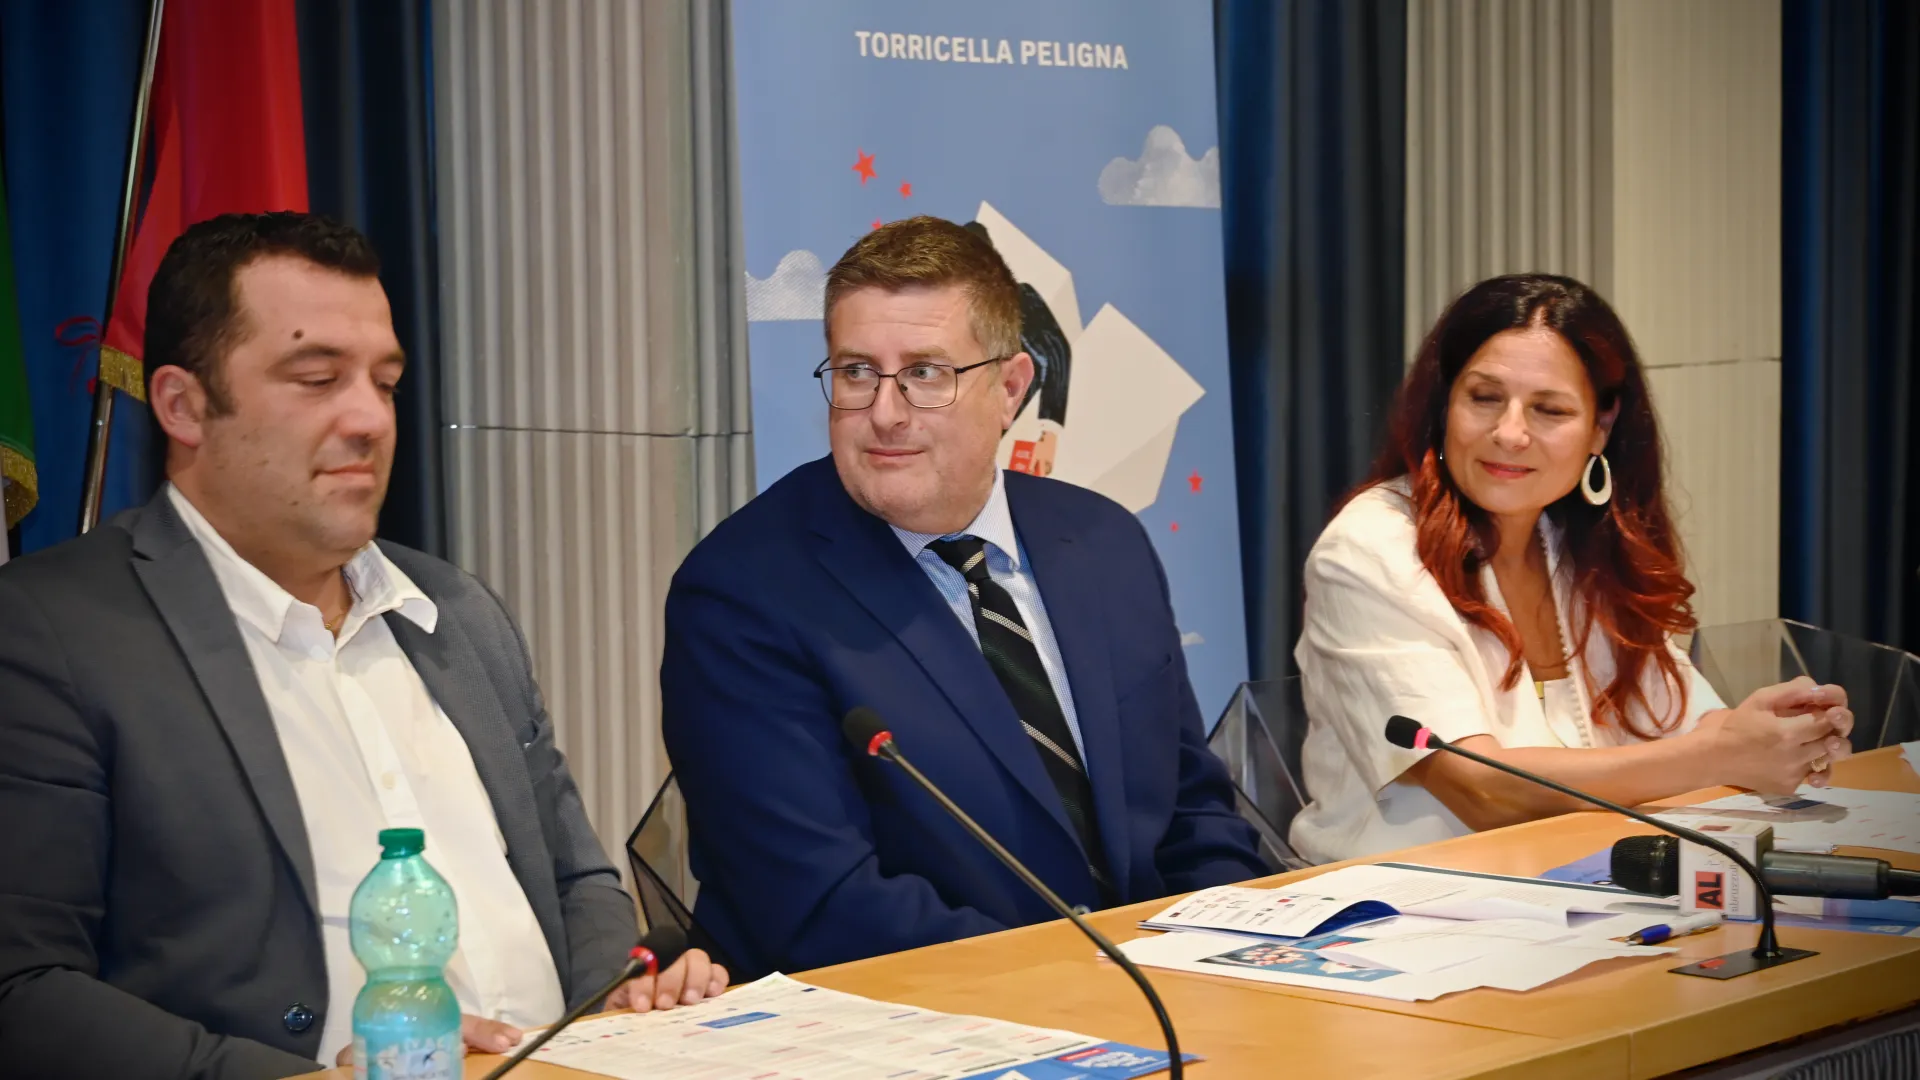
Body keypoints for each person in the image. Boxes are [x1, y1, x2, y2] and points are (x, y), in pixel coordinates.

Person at [0, 212, 725, 1079]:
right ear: (183, 406)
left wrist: (615, 1000)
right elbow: (23, 990)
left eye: (385, 382)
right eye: (317, 380)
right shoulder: (53, 633)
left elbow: (574, 881)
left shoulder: (456, 611)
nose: (370, 419)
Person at [661, 215, 1266, 978]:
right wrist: (1087, 984)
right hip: (911, 1015)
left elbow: (1191, 814)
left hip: (1161, 997)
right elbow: (819, 906)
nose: (885, 411)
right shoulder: (743, 593)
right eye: (856, 371)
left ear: (1009, 388)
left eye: (924, 373)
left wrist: (1239, 960)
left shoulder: (1104, 543)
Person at [1289, 273, 1854, 864]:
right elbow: (1484, 791)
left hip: (1583, 881)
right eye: (1484, 398)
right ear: (1444, 405)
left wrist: (1780, 735)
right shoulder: (1368, 547)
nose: (1509, 433)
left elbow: (1692, 729)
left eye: (1549, 409)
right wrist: (1724, 755)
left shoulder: (1581, 541)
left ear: (1600, 428)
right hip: (1399, 898)